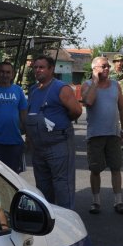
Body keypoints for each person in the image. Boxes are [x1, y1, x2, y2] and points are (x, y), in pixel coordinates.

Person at [25, 55, 82, 208]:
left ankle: (67, 219)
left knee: (63, 185)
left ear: (51, 69)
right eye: (36, 67)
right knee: (42, 186)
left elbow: (77, 111)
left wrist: (59, 123)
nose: (38, 70)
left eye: (42, 67)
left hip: (59, 145)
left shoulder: (61, 88)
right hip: (38, 148)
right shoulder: (33, 90)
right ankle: (49, 219)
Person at [82, 56, 123, 214]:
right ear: (94, 68)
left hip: (113, 134)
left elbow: (122, 108)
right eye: (103, 66)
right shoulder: (87, 85)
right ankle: (96, 202)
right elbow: (88, 102)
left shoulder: (115, 85)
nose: (107, 69)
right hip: (95, 135)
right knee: (95, 169)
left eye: (108, 66)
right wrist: (95, 81)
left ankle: (118, 202)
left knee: (116, 168)